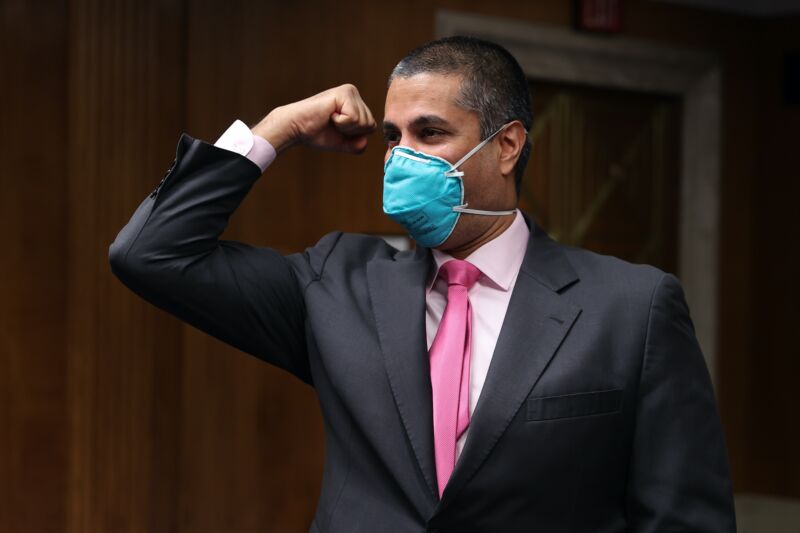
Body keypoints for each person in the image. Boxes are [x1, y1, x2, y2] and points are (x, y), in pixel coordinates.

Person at [109, 36, 736, 532]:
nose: (399, 156)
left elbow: (684, 518)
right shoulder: (336, 283)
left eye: (429, 134)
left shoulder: (632, 306)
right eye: (391, 137)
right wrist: (279, 128)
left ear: (507, 145)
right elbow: (151, 253)